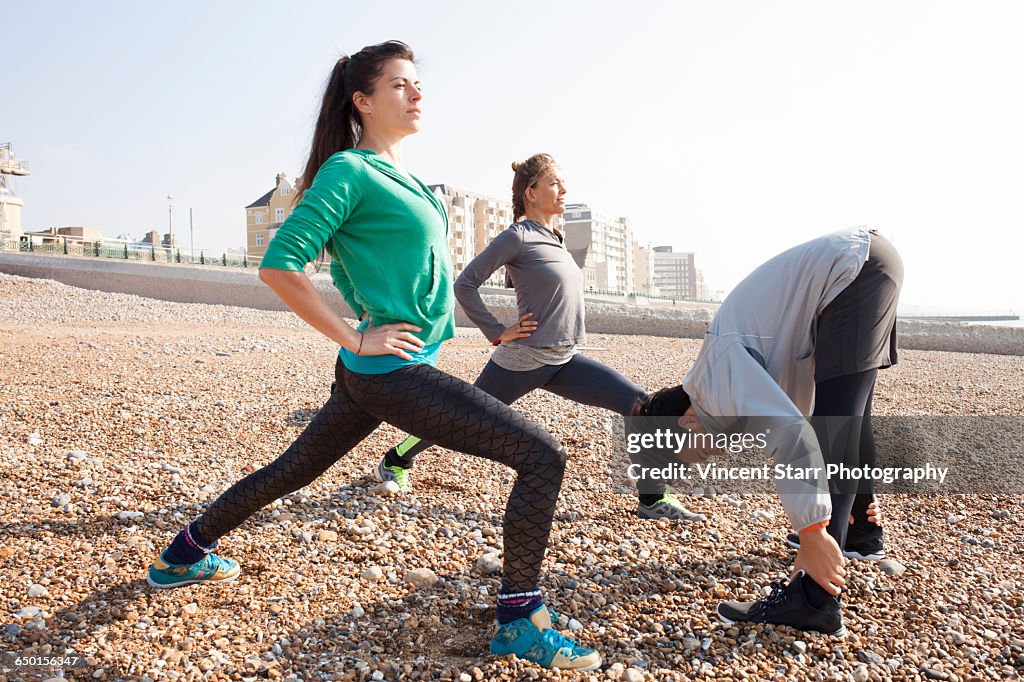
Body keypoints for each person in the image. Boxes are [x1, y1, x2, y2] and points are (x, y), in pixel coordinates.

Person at [144, 41, 600, 672]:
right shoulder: (348, 172)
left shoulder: (408, 179)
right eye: (400, 85)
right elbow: (280, 264)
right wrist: (357, 335)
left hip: (378, 372)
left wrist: (383, 320)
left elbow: (384, 270)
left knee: (297, 468)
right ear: (362, 101)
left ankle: (182, 555)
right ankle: (520, 620)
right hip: (390, 371)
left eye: (418, 84)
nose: (417, 93)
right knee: (542, 456)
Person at [374, 153, 704, 522]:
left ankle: (652, 499)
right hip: (522, 361)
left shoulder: (556, 238)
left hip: (563, 360)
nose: (563, 189)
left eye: (562, 183)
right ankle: (396, 459)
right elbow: (465, 284)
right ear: (531, 193)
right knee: (460, 419)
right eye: (554, 183)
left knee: (638, 406)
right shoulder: (517, 236)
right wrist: (498, 332)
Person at [653, 227, 902, 635]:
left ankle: (815, 599)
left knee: (835, 428)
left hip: (852, 270)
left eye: (687, 455)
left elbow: (792, 435)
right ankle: (859, 530)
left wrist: (812, 531)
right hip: (864, 265)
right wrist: (859, 503)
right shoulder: (717, 383)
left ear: (685, 421)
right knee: (849, 420)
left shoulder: (717, 378)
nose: (700, 462)